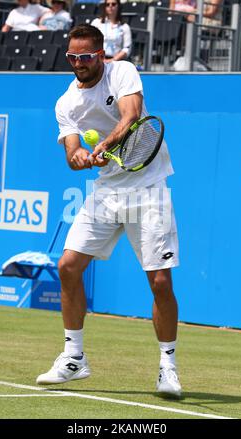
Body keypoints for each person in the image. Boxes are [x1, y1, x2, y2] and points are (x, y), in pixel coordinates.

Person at [36, 24, 181, 397]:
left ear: (100, 54)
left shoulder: (122, 71)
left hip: (148, 188)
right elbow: (70, 152)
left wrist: (105, 143)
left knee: (160, 281)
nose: (78, 64)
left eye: (85, 57)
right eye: (72, 58)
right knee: (67, 266)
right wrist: (80, 156)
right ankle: (74, 357)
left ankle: (168, 365)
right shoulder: (65, 102)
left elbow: (131, 115)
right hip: (106, 192)